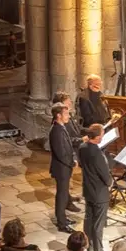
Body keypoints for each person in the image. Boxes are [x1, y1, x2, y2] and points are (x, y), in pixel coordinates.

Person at [76, 124, 112, 251]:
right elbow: (104, 173)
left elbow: (81, 164)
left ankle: (89, 246)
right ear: (97, 137)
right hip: (99, 193)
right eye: (102, 136)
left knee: (89, 219)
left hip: (88, 189)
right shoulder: (96, 153)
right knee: (98, 224)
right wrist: (110, 183)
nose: (103, 138)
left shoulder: (82, 147)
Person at [47, 99, 79, 233]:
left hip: (65, 168)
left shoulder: (61, 127)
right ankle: (61, 223)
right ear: (58, 115)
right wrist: (72, 162)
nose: (69, 116)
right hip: (61, 169)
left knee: (64, 194)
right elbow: (61, 153)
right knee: (61, 196)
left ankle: (63, 219)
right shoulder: (56, 131)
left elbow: (68, 145)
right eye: (66, 114)